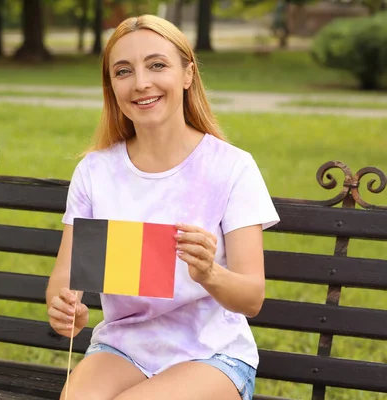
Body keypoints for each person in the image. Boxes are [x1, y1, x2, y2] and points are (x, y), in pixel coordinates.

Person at [45, 14, 280, 400]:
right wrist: (64, 306)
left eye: (157, 65)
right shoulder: (95, 171)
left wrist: (208, 273)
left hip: (211, 355)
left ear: (188, 73)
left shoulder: (232, 167)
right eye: (123, 71)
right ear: (112, 86)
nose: (141, 83)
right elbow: (64, 277)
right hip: (122, 348)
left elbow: (252, 298)